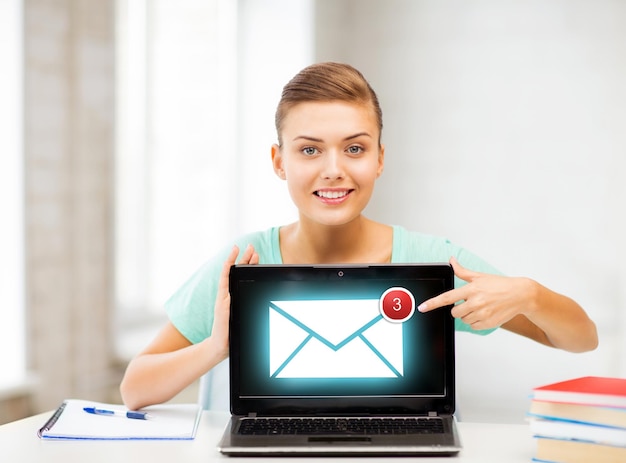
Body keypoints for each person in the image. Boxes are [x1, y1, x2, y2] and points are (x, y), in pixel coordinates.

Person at [119, 62, 598, 411]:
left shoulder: (435, 262)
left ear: (380, 159)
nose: (334, 171)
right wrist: (216, 347)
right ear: (279, 161)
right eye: (310, 150)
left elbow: (580, 340)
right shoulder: (242, 263)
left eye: (354, 148)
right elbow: (135, 389)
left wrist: (529, 294)